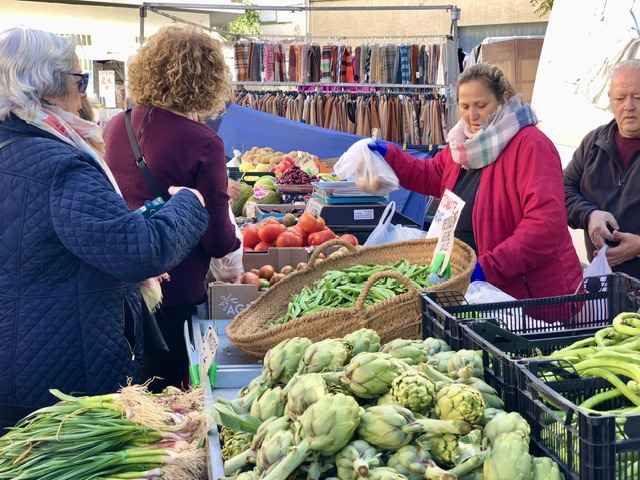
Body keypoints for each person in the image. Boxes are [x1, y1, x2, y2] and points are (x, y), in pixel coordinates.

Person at [0, 26, 210, 430]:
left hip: (22, 355)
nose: (84, 93)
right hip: (61, 370)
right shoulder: (61, 164)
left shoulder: (13, 149)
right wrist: (188, 203)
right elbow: (139, 252)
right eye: (79, 80)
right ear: (46, 87)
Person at [364, 62, 583, 301]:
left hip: (528, 297)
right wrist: (389, 155)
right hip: (475, 289)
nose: (472, 115)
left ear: (503, 99)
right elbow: (429, 174)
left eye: (481, 105)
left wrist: (487, 268)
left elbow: (544, 226)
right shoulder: (463, 146)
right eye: (465, 106)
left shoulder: (532, 146)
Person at [103, 24, 242, 392]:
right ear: (208, 78)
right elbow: (218, 241)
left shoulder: (116, 126)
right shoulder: (203, 142)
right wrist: (234, 234)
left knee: (129, 392)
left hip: (119, 285)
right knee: (167, 397)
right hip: (174, 292)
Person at [564, 59, 640, 280]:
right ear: (609, 99)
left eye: (638, 97)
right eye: (620, 98)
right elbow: (562, 189)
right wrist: (589, 215)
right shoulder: (593, 143)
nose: (628, 106)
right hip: (602, 282)